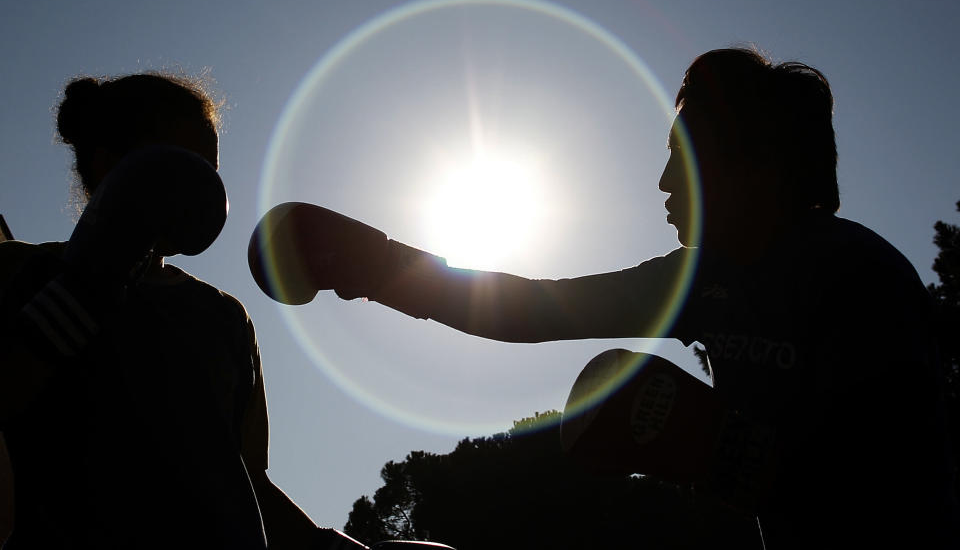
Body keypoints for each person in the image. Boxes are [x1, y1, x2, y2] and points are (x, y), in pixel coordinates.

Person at [249, 48, 960, 548]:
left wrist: (733, 453)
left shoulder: (856, 270)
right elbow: (533, 307)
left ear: (757, 166)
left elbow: (897, 454)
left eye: (682, 159)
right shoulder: (704, 279)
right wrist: (375, 266)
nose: (662, 184)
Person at [0, 73, 366, 549]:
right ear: (108, 163)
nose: (201, 187)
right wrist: (81, 289)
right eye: (181, 164)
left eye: (209, 169)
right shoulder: (18, 271)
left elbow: (245, 480)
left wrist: (337, 548)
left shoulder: (224, 317)